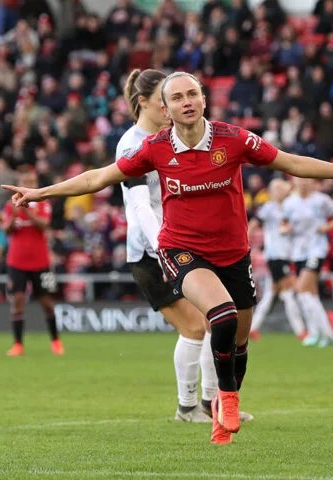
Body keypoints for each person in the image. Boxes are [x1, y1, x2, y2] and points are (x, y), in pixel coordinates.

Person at [2, 71, 333, 444]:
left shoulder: (235, 139)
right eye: (176, 97)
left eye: (192, 94)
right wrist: (41, 193)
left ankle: (224, 402)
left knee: (239, 342)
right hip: (181, 250)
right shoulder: (153, 148)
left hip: (233, 254)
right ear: (165, 109)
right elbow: (96, 178)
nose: (186, 101)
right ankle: (218, 403)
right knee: (218, 317)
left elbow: (292, 163)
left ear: (204, 100)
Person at [118, 68, 252, 424]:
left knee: (214, 323)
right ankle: (189, 406)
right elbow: (139, 204)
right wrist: (160, 246)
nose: (179, 103)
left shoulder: (173, 138)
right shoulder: (134, 144)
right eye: (171, 96)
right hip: (154, 250)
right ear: (150, 102)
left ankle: (212, 404)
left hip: (184, 245)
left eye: (185, 95)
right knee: (197, 327)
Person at [2, 169, 63, 357]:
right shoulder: (9, 205)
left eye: (32, 179)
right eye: (25, 179)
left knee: (47, 301)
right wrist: (13, 216)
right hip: (16, 261)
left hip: (41, 261)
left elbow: (45, 225)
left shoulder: (43, 203)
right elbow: (6, 230)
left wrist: (26, 211)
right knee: (18, 300)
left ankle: (55, 341)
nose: (29, 182)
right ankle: (18, 344)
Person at [282, 178, 333, 347]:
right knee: (311, 295)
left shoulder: (321, 200)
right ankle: (325, 334)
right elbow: (284, 224)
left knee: (301, 290)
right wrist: (286, 230)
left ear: (312, 182)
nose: (302, 182)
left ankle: (319, 332)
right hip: (298, 252)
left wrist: (327, 227)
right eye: (299, 179)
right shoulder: (290, 203)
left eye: (306, 179)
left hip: (317, 249)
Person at [247, 178, 307, 341]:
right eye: (278, 189)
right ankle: (301, 331)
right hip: (275, 255)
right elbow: (254, 224)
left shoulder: (288, 207)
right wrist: (245, 241)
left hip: (285, 255)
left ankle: (253, 328)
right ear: (273, 192)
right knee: (288, 293)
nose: (281, 192)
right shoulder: (268, 208)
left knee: (270, 294)